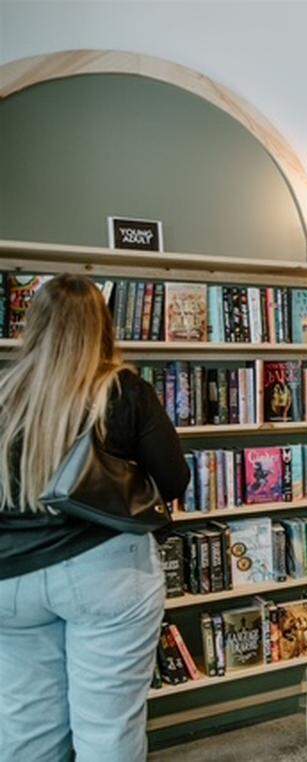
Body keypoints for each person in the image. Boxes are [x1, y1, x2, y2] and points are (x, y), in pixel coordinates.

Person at [0, 274, 190, 761]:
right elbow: (173, 478)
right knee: (107, 729)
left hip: (10, 577)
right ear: (102, 324)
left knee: (25, 729)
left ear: (33, 325)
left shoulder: (5, 393)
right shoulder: (124, 390)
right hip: (105, 569)